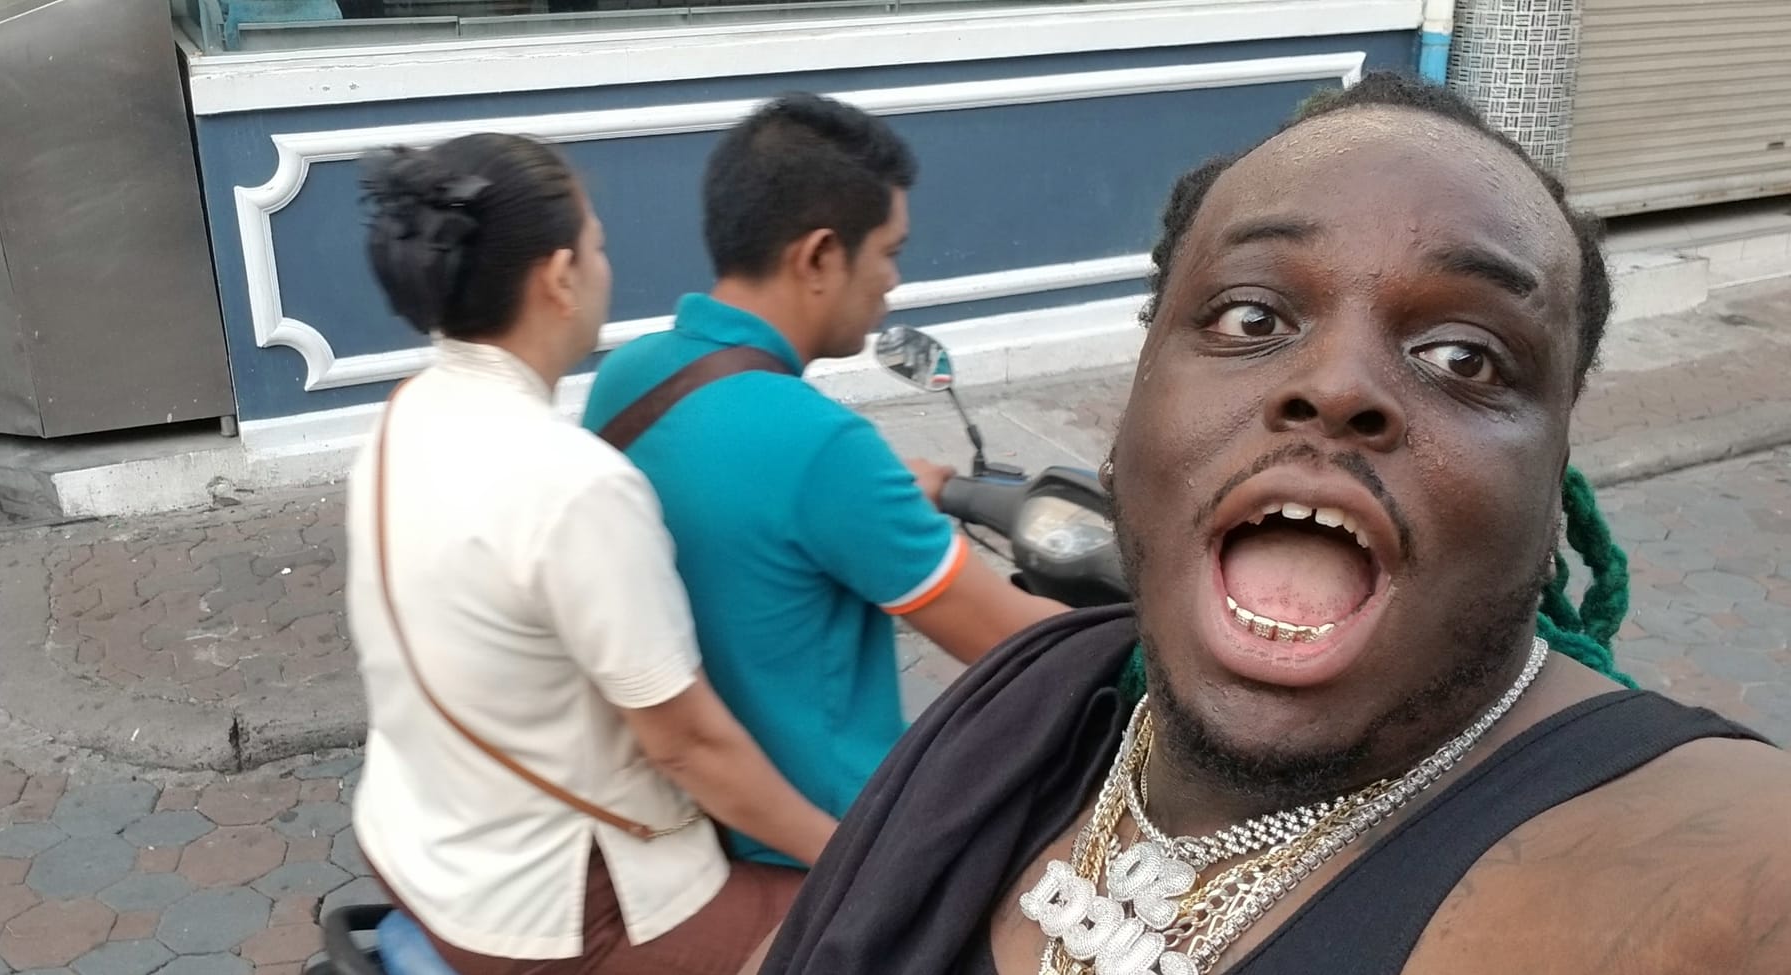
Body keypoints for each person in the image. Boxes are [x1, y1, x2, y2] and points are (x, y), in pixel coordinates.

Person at [748, 73, 1791, 975]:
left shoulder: (1724, 864)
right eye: (1251, 316)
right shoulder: (1019, 714)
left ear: (1554, 478)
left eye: (1464, 357)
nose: (1336, 385)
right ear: (1133, 405)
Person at [342, 132, 835, 975]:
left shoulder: (405, 414)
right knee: (890, 924)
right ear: (561, 276)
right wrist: (855, 853)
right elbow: (688, 748)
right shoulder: (575, 484)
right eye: (599, 246)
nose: (607, 266)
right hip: (558, 917)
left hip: (415, 847)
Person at [581, 93, 1069, 869]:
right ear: (818, 257)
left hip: (684, 815)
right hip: (826, 841)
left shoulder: (629, 376)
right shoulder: (824, 446)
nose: (893, 281)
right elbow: (1023, 644)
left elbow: (748, 523)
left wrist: (883, 501)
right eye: (888, 252)